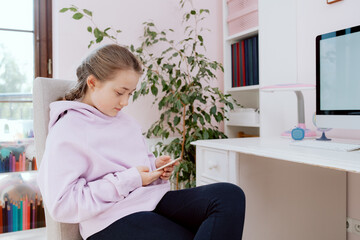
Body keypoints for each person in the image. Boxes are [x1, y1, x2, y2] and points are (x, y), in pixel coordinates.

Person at [37, 44, 246, 240]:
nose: (125, 102)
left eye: (130, 93)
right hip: (110, 218)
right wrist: (130, 179)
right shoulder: (67, 129)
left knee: (229, 195)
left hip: (152, 200)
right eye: (120, 92)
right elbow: (62, 205)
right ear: (92, 83)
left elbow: (137, 167)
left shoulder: (126, 122)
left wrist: (155, 168)